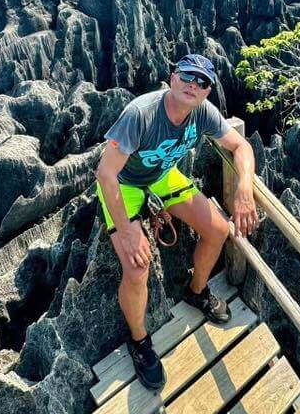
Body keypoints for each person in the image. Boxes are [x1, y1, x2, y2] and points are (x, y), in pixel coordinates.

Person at [95, 53, 259, 391]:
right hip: (123, 185)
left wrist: (244, 188)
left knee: (218, 229)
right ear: (172, 78)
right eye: (187, 76)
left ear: (207, 92)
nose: (193, 85)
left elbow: (240, 145)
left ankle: (196, 291)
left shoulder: (203, 113)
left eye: (202, 82)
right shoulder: (140, 115)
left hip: (161, 177)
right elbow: (106, 174)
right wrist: (127, 231)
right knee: (138, 268)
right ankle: (139, 341)